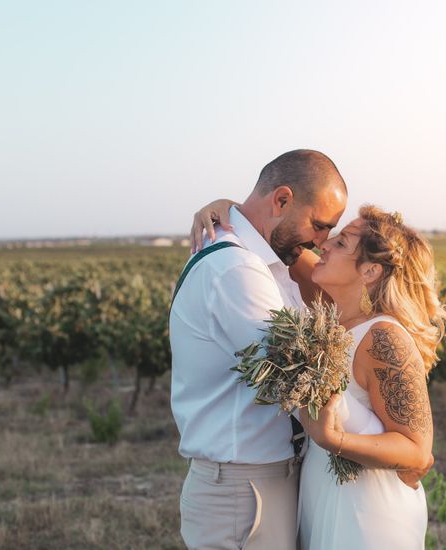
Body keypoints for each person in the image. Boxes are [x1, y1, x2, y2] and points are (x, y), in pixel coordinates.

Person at [190, 201, 446, 549]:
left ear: (370, 271)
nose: (323, 244)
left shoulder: (383, 336)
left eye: (340, 243)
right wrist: (231, 207)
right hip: (323, 494)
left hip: (368, 512)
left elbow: (418, 452)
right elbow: (278, 239)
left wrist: (333, 439)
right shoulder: (332, 316)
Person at [170, 149, 346, 549]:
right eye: (319, 226)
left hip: (254, 481)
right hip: (244, 489)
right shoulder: (236, 270)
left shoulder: (261, 261)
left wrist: (230, 207)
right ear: (281, 200)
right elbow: (303, 376)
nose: (320, 243)